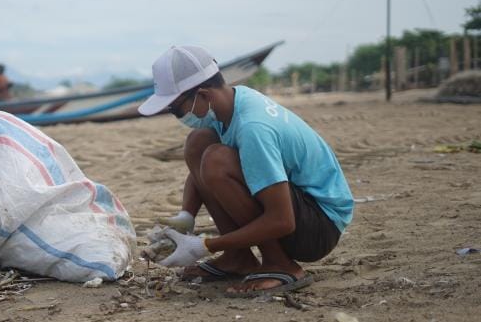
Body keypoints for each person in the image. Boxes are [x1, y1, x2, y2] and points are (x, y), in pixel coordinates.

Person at [138, 46, 353, 297]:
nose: (176, 116)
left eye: (175, 109)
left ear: (204, 95)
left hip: (320, 225)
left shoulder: (253, 127)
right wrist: (187, 215)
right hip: (301, 210)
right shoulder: (230, 104)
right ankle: (237, 257)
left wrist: (205, 246)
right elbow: (200, 173)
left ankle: (281, 265)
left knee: (216, 160)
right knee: (199, 142)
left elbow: (282, 220)